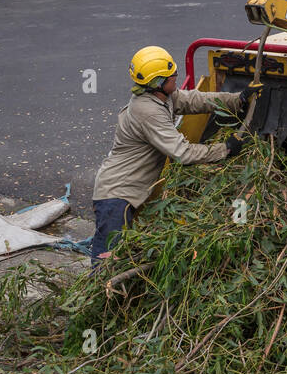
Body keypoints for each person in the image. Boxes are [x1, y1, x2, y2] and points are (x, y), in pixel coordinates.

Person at [90, 45, 256, 264]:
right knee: (108, 264)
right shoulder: (148, 112)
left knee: (122, 258)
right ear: (157, 83)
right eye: (171, 76)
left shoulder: (162, 97)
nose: (176, 78)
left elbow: (196, 100)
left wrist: (237, 98)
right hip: (116, 196)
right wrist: (225, 148)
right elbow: (183, 153)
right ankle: (104, 295)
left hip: (128, 193)